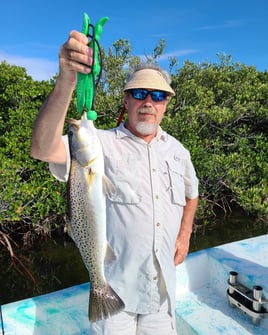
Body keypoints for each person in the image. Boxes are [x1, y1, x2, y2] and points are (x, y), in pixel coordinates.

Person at [30, 30, 199, 335]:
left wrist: (185, 232)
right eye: (139, 93)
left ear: (165, 104)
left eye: (158, 96)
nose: (149, 101)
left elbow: (192, 193)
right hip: (115, 293)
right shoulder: (98, 143)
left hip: (162, 297)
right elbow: (42, 148)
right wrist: (67, 78)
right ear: (126, 98)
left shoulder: (178, 151)